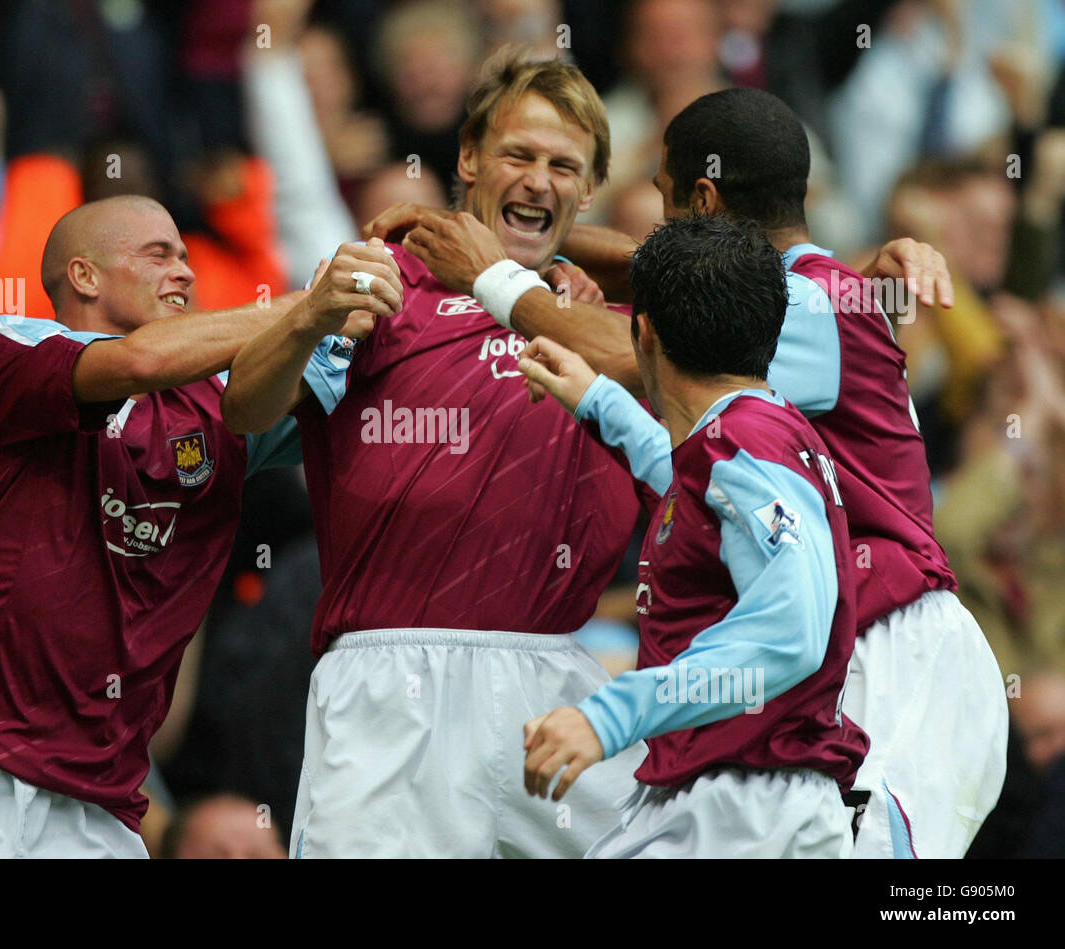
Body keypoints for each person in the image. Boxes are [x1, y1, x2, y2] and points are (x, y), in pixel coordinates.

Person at [372, 86, 1007, 858]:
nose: (662, 224)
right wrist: (515, 252)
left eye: (669, 200)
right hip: (846, 640)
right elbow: (653, 274)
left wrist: (495, 278)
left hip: (893, 647)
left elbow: (635, 349)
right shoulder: (793, 300)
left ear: (704, 197)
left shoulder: (812, 308)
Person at [0, 194, 399, 858]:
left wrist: (368, 300)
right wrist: (300, 306)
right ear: (84, 275)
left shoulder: (224, 408)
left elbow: (338, 369)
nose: (184, 272)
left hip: (93, 814)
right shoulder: (10, 349)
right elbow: (138, 363)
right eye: (158, 254)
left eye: (188, 257)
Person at [221, 49, 646, 858]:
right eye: (518, 155)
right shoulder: (385, 286)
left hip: (555, 680)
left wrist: (572, 264)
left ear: (587, 191)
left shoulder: (604, 322)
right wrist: (309, 318)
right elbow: (245, 410)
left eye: (564, 166)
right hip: (392, 687)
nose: (538, 181)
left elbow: (731, 309)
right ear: (468, 160)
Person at [517, 214, 867, 857]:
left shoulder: (746, 447)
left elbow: (793, 629)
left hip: (749, 812)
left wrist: (609, 714)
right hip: (729, 800)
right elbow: (700, 491)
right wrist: (598, 398)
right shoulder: (753, 434)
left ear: (642, 334)